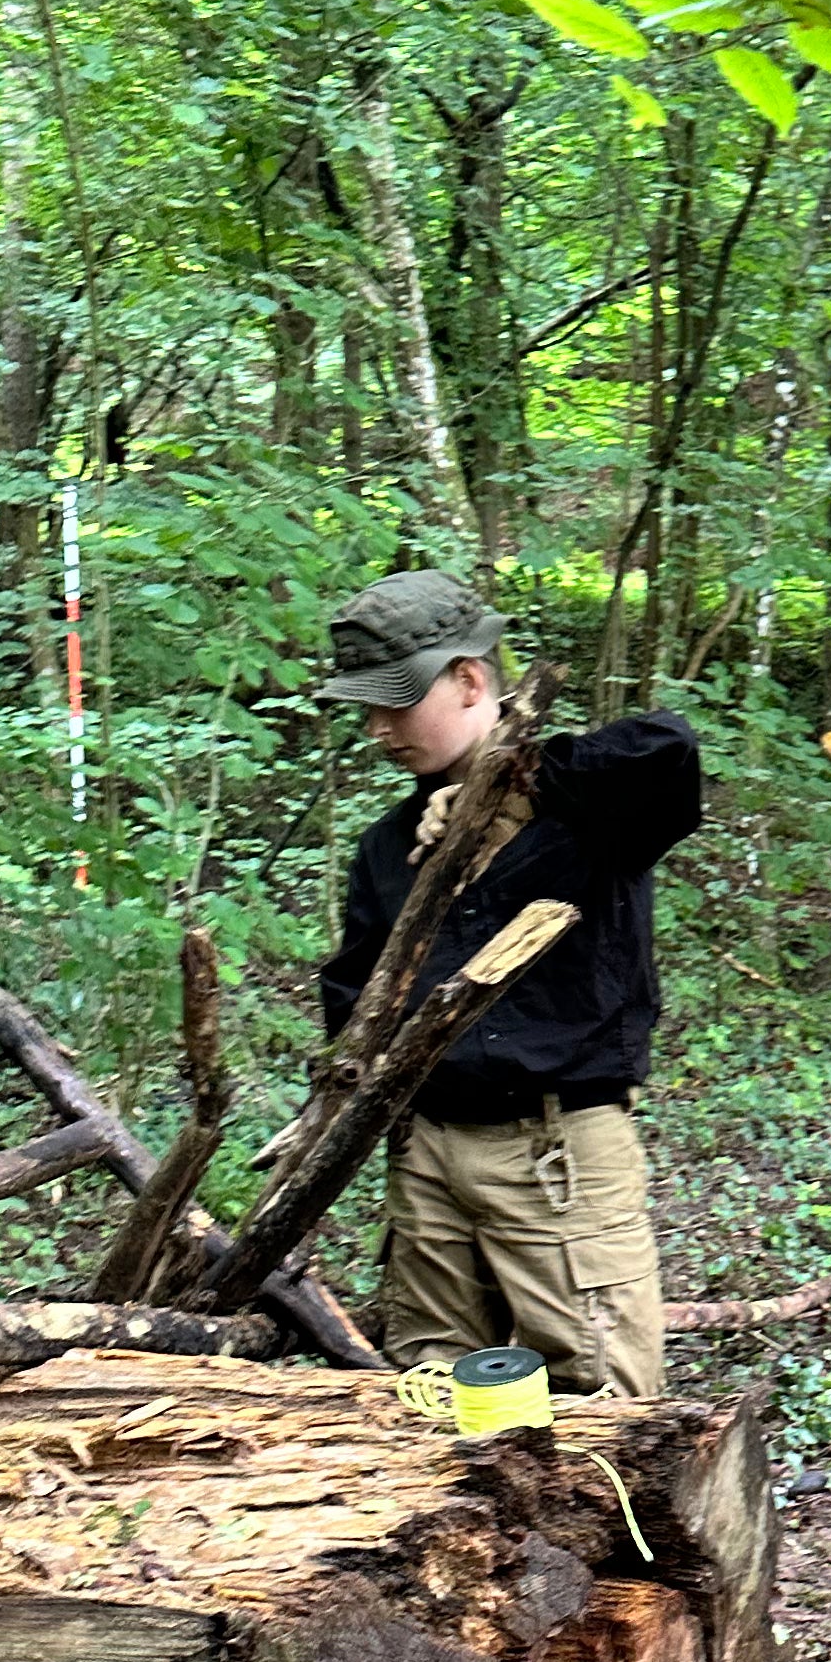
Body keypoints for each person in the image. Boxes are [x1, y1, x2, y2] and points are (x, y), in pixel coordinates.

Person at [321, 569, 704, 1396]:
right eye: (368, 706)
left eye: (397, 699)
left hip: (556, 1151)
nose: (380, 727)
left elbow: (670, 751)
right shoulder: (390, 848)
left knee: (603, 1403)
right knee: (432, 1392)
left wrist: (519, 782)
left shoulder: (588, 803)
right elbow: (355, 996)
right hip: (427, 1153)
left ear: (468, 679)